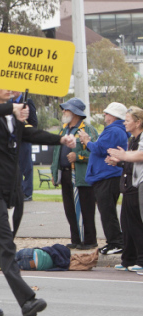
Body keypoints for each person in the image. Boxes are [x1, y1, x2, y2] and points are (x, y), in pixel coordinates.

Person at [0, 83, 75, 316]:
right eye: (4, 84)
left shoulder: (11, 114)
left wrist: (61, 140)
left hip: (9, 187)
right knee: (5, 244)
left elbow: (29, 134)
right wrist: (11, 108)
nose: (9, 89)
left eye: (13, 86)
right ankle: (27, 300)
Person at [78, 102, 127, 255]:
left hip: (107, 175)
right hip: (108, 175)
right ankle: (114, 241)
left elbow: (99, 149)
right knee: (107, 210)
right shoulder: (118, 130)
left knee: (107, 211)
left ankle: (116, 242)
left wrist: (87, 141)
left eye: (107, 113)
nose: (104, 115)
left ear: (114, 116)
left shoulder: (113, 130)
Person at [50, 98, 98, 250]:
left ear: (76, 113)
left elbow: (96, 153)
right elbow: (56, 152)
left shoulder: (88, 130)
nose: (63, 111)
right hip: (64, 174)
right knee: (70, 208)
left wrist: (79, 157)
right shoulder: (63, 130)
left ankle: (90, 240)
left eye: (67, 109)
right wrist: (54, 172)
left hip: (81, 175)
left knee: (85, 208)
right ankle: (76, 239)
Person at [106, 106, 143, 273]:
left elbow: (140, 156)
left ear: (138, 122)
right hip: (128, 186)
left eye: (128, 120)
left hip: (138, 185)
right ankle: (128, 259)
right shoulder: (132, 139)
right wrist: (119, 161)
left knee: (137, 224)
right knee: (127, 225)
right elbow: (132, 161)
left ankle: (141, 261)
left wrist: (124, 156)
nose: (125, 123)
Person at [11, 91, 38, 201]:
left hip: (24, 140)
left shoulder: (27, 102)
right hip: (12, 140)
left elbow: (34, 122)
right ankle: (18, 191)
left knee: (26, 167)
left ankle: (27, 193)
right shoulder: (10, 103)